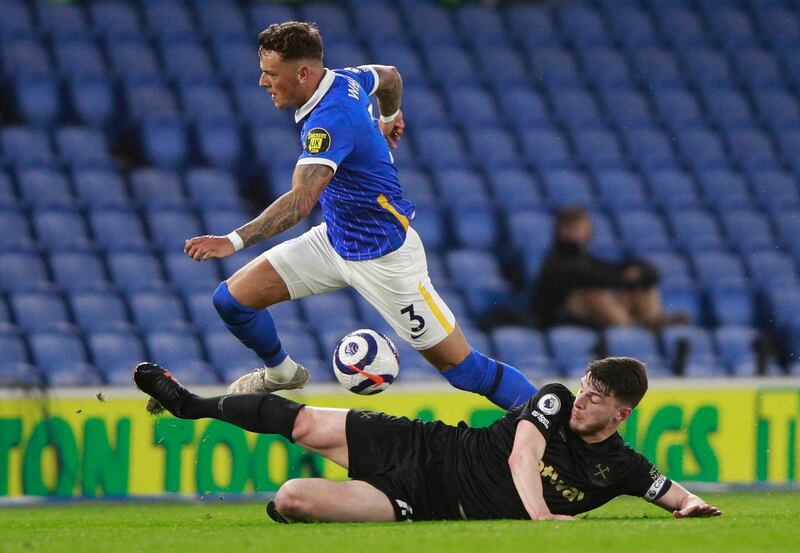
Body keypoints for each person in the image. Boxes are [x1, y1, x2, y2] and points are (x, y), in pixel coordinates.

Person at [182, 22, 535, 409]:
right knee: (231, 301)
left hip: (385, 260)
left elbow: (301, 202)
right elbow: (390, 77)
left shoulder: (329, 121)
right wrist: (391, 116)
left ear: (303, 73)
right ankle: (280, 372)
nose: (263, 82)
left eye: (270, 74)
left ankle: (557, 429)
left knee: (465, 371)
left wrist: (231, 240)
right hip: (334, 239)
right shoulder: (346, 79)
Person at [133, 357, 722, 523]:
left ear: (621, 414)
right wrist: (540, 516)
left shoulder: (619, 465)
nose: (583, 397)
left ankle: (301, 514)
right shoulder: (554, 400)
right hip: (426, 448)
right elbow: (524, 454)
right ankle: (191, 405)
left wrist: (691, 504)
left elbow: (666, 490)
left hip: (423, 503)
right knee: (307, 422)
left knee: (290, 498)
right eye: (587, 385)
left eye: (597, 396)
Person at [534, 206, 688, 329]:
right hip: (562, 319)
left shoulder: (583, 257)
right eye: (572, 227)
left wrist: (640, 273)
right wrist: (629, 278)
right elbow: (591, 277)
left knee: (641, 286)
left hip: (590, 318)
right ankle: (629, 327)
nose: (576, 232)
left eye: (580, 227)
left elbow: (610, 270)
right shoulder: (555, 261)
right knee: (592, 293)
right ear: (560, 230)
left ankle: (653, 320)